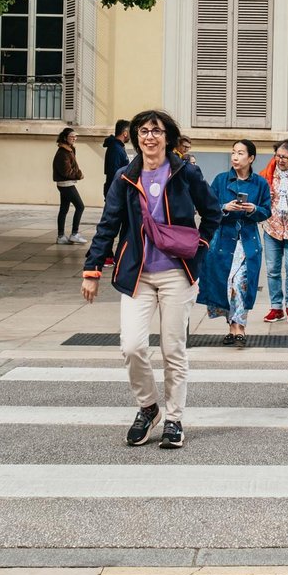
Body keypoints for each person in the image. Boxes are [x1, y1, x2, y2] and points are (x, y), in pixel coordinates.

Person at [80, 109, 221, 450]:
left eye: (157, 131)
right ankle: (148, 407)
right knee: (132, 346)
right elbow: (107, 225)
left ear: (168, 137)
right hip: (137, 274)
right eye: (143, 131)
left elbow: (212, 212)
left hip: (177, 273)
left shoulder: (186, 173)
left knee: (173, 349)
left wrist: (199, 247)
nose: (150, 137)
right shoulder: (124, 178)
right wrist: (92, 269)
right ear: (135, 137)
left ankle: (174, 418)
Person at [198, 139, 271, 349]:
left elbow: (267, 211)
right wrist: (224, 207)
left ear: (251, 158)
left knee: (241, 283)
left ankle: (240, 327)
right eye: (233, 153)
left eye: (240, 153)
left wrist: (252, 209)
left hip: (248, 241)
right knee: (226, 285)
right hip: (223, 241)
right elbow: (207, 209)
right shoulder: (221, 180)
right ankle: (231, 326)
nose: (235, 157)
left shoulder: (260, 183)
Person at [261, 139, 288, 323]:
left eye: (285, 157)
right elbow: (260, 196)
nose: (280, 160)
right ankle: (276, 307)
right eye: (278, 156)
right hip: (272, 228)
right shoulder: (268, 174)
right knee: (272, 270)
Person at [52, 127, 87, 245]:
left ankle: (61, 236)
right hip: (66, 184)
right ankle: (74, 234)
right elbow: (66, 172)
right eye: (72, 136)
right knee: (80, 206)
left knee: (64, 209)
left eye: (75, 136)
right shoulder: (63, 153)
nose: (74, 138)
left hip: (65, 183)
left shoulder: (69, 150)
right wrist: (79, 174)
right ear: (65, 138)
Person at [102, 120, 131, 198]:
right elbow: (114, 172)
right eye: (130, 132)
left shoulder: (119, 147)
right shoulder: (115, 148)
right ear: (125, 133)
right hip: (115, 191)